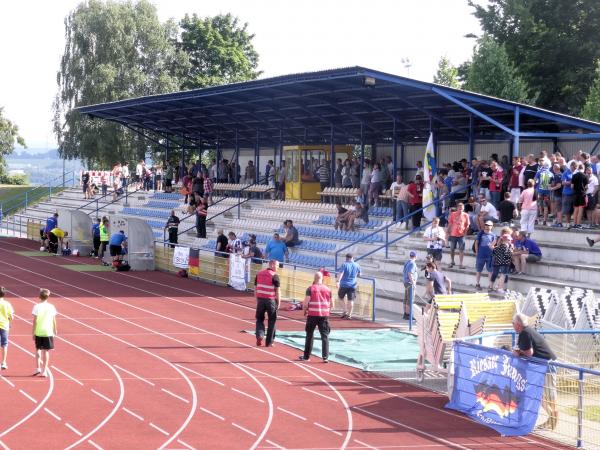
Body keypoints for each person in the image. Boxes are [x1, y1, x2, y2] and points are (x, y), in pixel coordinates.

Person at [512, 313, 558, 430]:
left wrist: (519, 353)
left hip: (547, 366)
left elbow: (529, 353)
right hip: (543, 366)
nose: (512, 326)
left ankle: (553, 421)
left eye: (513, 323)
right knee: (540, 395)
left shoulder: (525, 333)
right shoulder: (526, 332)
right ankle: (552, 420)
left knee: (549, 396)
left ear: (518, 325)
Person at [298, 271, 332, 363]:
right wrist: (328, 311)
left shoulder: (311, 289)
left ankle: (306, 356)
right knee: (325, 336)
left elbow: (306, 303)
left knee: (309, 335)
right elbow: (332, 303)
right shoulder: (328, 289)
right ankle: (325, 357)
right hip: (324, 315)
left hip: (312, 315)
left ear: (314, 278)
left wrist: (305, 311)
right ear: (322, 279)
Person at [254, 260, 281, 347]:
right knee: (272, 321)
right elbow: (278, 291)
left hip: (261, 299)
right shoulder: (275, 276)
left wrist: (257, 300)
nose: (278, 267)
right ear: (272, 265)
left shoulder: (259, 274)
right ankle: (269, 342)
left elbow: (255, 288)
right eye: (277, 265)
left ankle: (260, 335)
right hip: (270, 300)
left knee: (259, 319)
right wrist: (279, 302)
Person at [32, 288, 57, 378]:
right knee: (46, 351)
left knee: (38, 349)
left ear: (39, 296)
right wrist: (55, 329)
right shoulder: (51, 306)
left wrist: (33, 332)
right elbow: (54, 319)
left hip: (39, 331)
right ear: (48, 297)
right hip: (48, 331)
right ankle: (45, 370)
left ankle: (38, 368)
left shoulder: (36, 306)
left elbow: (35, 321)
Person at [337, 253, 361, 320]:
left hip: (344, 284)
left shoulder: (344, 264)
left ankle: (345, 310)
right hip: (353, 285)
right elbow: (359, 274)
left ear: (346, 258)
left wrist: (338, 281)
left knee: (340, 298)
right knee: (351, 300)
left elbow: (341, 273)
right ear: (353, 257)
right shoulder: (357, 265)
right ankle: (349, 314)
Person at [474, 220, 497, 290]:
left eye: (489, 225)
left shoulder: (493, 235)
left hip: (490, 256)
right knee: (479, 270)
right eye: (486, 225)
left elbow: (493, 244)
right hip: (481, 255)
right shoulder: (481, 233)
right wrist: (477, 252)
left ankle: (490, 285)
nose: (487, 226)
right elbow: (476, 243)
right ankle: (477, 284)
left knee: (490, 271)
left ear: (492, 226)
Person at [446, 202, 470, 269]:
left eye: (462, 209)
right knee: (452, 249)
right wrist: (448, 231)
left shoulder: (466, 215)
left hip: (461, 235)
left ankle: (461, 264)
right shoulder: (453, 214)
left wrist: (465, 232)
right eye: (459, 209)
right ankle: (452, 261)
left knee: (461, 249)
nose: (460, 210)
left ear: (463, 208)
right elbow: (450, 223)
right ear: (457, 208)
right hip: (453, 234)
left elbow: (467, 225)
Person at [0, 287, 14, 370]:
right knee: (4, 344)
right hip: (5, 325)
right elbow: (11, 316)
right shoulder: (7, 304)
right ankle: (4, 362)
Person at [571, 163, 589, 229]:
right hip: (582, 194)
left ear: (578, 168)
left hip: (575, 194)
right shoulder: (585, 176)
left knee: (575, 210)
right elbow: (586, 187)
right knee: (580, 210)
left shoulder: (574, 175)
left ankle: (574, 224)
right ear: (583, 168)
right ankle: (578, 224)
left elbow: (572, 186)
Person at [403, 251, 418, 320]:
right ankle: (408, 315)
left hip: (406, 282)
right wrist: (413, 283)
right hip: (409, 282)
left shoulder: (407, 262)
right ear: (415, 256)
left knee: (406, 298)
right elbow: (410, 273)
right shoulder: (412, 263)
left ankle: (406, 314)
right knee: (410, 299)